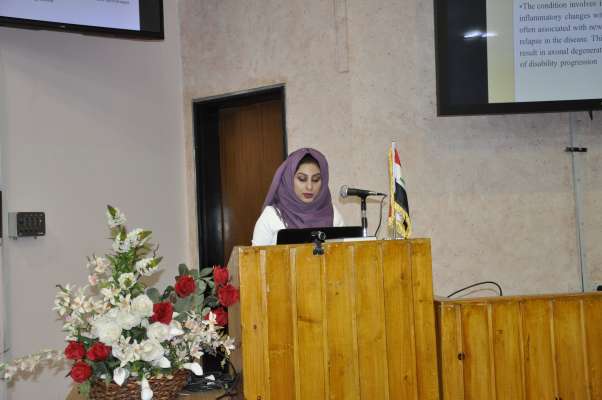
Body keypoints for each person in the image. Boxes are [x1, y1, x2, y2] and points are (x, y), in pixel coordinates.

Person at [252, 148, 344, 246]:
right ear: (288, 179)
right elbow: (255, 254)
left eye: (316, 180)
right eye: (302, 179)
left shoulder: (331, 213)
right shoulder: (271, 216)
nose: (309, 187)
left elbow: (346, 250)